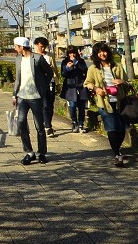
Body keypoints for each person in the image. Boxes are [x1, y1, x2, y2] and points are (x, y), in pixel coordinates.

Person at [84, 42, 130, 167]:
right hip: (104, 102)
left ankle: (117, 150)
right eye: (99, 52)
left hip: (120, 101)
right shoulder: (93, 68)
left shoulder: (117, 66)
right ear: (96, 54)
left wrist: (121, 82)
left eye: (104, 51)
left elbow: (128, 83)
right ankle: (117, 154)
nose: (102, 54)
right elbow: (87, 83)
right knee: (111, 128)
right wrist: (96, 89)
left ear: (108, 52)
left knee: (121, 129)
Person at [11, 36, 53, 165]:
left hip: (36, 97)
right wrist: (14, 94)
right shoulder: (18, 59)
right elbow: (18, 78)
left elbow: (49, 72)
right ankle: (29, 152)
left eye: (16, 46)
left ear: (22, 47)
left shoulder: (38, 58)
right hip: (22, 97)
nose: (14, 48)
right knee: (21, 122)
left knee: (39, 126)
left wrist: (43, 88)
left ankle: (42, 153)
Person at [60, 45, 89, 132]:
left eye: (73, 53)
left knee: (81, 107)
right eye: (70, 53)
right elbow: (63, 74)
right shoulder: (65, 62)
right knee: (72, 105)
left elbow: (85, 70)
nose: (72, 55)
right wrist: (68, 68)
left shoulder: (81, 61)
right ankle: (74, 122)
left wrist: (76, 63)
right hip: (70, 87)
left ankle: (81, 124)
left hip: (81, 86)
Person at [33, 37, 58, 137]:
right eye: (40, 47)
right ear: (36, 46)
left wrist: (57, 81)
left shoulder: (50, 55)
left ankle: (47, 123)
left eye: (44, 47)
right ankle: (48, 127)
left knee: (51, 105)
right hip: (40, 84)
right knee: (45, 105)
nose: (42, 49)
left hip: (51, 82)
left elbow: (55, 69)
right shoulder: (34, 56)